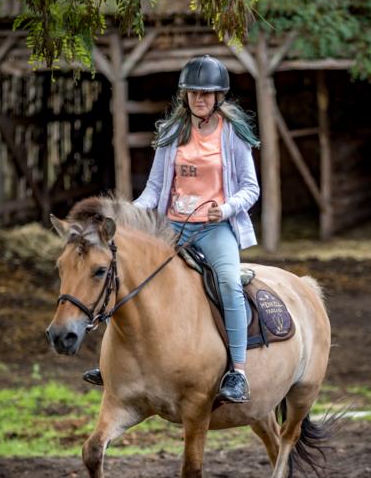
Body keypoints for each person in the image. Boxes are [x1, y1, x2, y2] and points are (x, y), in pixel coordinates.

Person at [84, 55, 260, 404]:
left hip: (213, 229)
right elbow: (154, 189)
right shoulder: (171, 133)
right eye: (193, 92)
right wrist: (130, 214)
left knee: (228, 282)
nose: (199, 99)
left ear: (218, 96)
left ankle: (238, 372)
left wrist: (225, 209)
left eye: (206, 93)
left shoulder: (233, 134)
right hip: (172, 229)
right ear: (185, 95)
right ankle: (111, 364)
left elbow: (250, 188)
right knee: (124, 273)